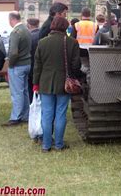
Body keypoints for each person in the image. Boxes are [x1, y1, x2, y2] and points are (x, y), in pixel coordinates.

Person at [33, 16, 81, 152]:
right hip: (65, 84)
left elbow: (37, 66)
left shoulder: (42, 42)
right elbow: (76, 65)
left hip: (45, 83)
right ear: (66, 27)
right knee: (60, 114)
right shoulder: (72, 42)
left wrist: (35, 83)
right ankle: (59, 144)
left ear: (52, 26)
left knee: (46, 114)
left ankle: (46, 145)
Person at [2, 11, 32, 127]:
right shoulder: (26, 30)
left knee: (16, 93)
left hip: (17, 65)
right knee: (24, 91)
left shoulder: (15, 32)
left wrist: (10, 64)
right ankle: (25, 115)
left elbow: (13, 52)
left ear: (12, 19)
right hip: (27, 63)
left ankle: (15, 117)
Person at [26, 18, 40, 103]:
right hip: (41, 65)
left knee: (30, 88)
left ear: (29, 25)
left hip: (31, 65)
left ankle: (31, 104)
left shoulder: (29, 36)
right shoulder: (42, 35)